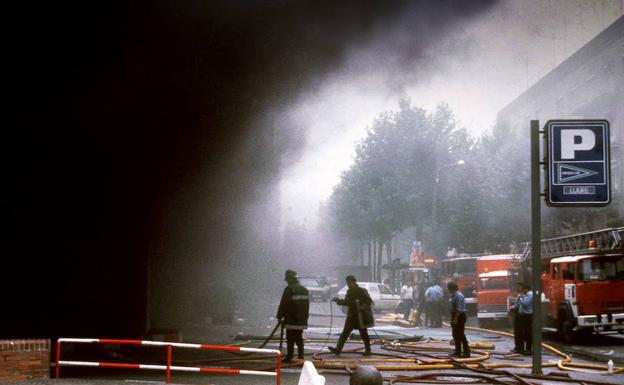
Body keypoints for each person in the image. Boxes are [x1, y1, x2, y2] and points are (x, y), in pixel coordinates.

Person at [329, 275, 374, 356]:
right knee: (345, 333)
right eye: (347, 283)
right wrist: (338, 301)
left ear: (353, 282)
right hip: (351, 316)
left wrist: (361, 307)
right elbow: (347, 302)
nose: (348, 284)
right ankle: (338, 349)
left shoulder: (362, 291)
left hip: (360, 316)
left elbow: (369, 301)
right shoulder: (349, 291)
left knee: (364, 333)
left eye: (349, 282)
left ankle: (368, 350)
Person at [276, 269, 310, 362]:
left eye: (287, 279)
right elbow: (306, 306)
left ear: (290, 279)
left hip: (291, 319)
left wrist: (279, 316)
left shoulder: (288, 289)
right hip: (301, 319)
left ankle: (289, 356)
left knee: (290, 338)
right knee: (299, 338)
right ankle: (301, 356)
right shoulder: (304, 289)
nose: (286, 281)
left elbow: (283, 304)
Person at [447, 281, 470, 358]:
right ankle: (458, 352)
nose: (448, 290)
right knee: (455, 335)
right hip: (455, 316)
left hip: (459, 316)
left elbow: (459, 309)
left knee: (461, 334)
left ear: (451, 288)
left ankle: (466, 352)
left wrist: (455, 319)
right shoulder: (453, 295)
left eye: (448, 289)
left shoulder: (458, 296)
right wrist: (452, 318)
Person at [510, 282, 533, 355]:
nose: (519, 289)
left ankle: (528, 349)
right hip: (521, 315)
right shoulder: (523, 295)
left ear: (525, 288)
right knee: (519, 332)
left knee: (527, 333)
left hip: (527, 316)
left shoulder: (530, 295)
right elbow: (517, 304)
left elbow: (525, 303)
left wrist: (521, 297)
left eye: (520, 287)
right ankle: (519, 348)